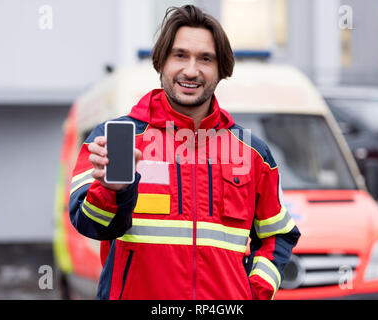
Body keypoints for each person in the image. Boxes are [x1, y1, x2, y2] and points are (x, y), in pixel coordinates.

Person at [69, 4, 300, 300]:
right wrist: (113, 191)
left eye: (205, 59)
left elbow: (278, 234)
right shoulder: (112, 139)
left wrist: (254, 293)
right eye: (180, 55)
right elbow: (91, 226)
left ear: (221, 69)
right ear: (161, 62)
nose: (191, 70)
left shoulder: (253, 153)